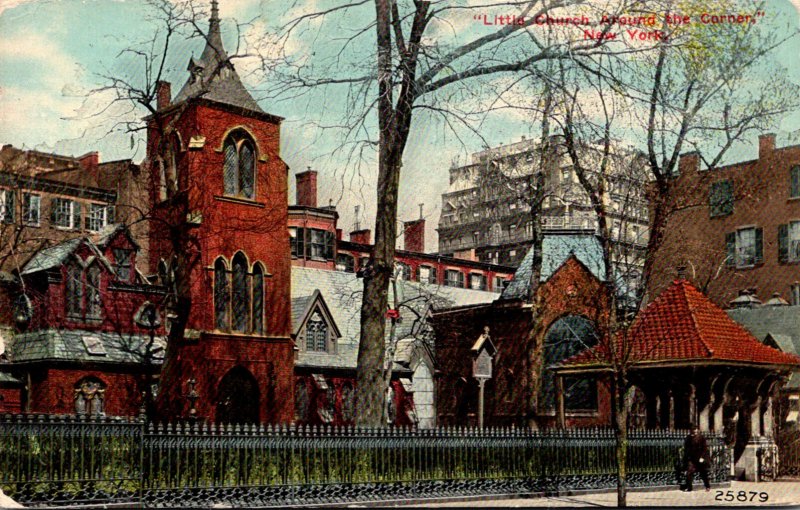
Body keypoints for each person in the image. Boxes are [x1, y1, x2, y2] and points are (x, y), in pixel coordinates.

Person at [682, 425, 711, 492]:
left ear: (697, 430)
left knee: (703, 473)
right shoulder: (688, 438)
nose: (694, 432)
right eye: (693, 431)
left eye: (696, 431)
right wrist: (686, 457)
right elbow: (686, 449)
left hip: (699, 458)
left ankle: (707, 486)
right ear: (691, 431)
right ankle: (689, 488)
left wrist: (702, 457)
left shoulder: (701, 438)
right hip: (691, 458)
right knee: (689, 472)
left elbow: (704, 449)